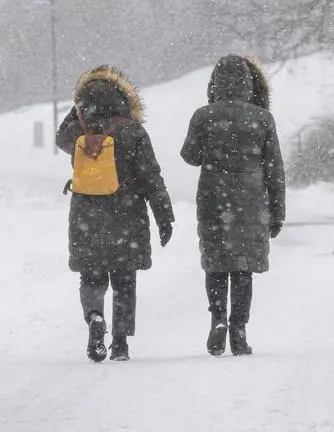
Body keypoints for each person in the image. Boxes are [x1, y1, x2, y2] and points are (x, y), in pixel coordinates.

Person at [56, 65, 175, 363]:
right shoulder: (132, 130)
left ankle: (95, 317)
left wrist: (79, 109)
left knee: (92, 276)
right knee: (124, 281)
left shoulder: (78, 129)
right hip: (127, 213)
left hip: (86, 214)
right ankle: (120, 343)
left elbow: (60, 137)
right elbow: (151, 176)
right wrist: (164, 215)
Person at [181, 55, 286, 356]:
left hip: (213, 197)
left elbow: (190, 155)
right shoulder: (262, 118)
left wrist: (212, 146)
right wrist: (277, 211)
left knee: (216, 263)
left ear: (215, 84)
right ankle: (239, 329)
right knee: (243, 268)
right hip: (251, 200)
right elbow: (274, 170)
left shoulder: (204, 116)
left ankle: (218, 320)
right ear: (249, 84)